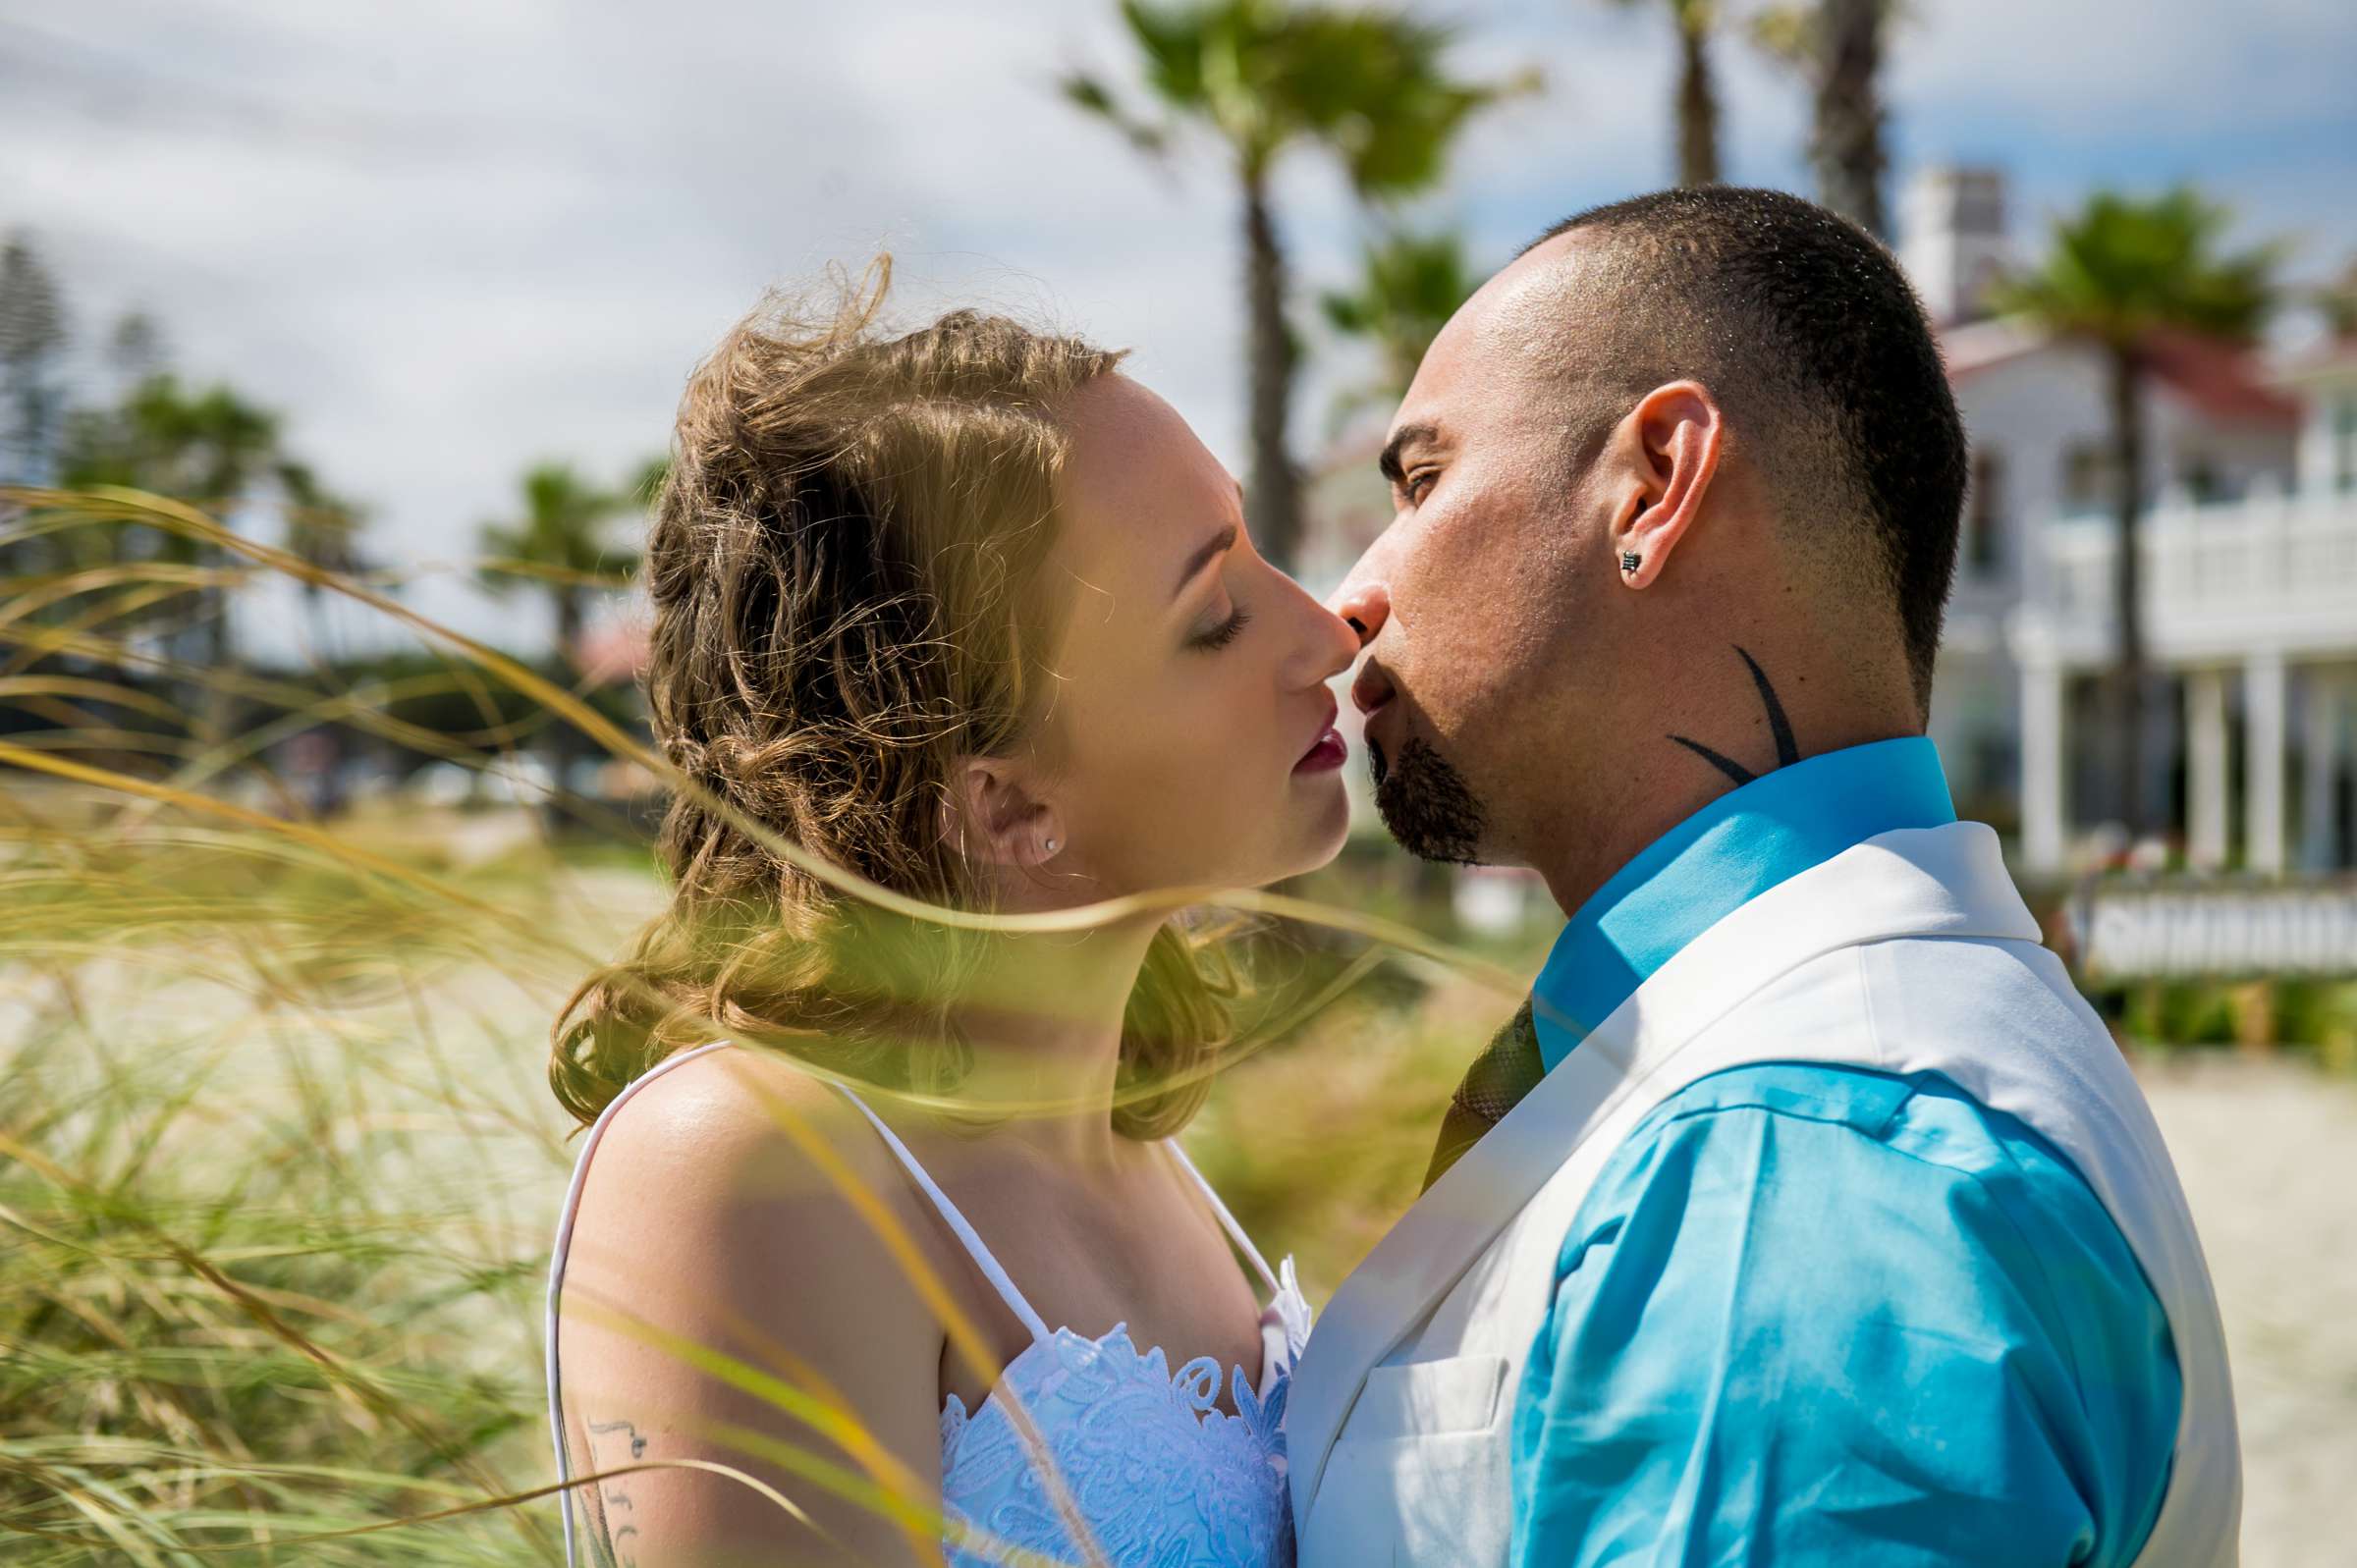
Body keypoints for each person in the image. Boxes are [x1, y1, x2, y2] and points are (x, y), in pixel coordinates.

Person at [1290, 188, 2237, 1567]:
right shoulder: (1874, 1045)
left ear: (1658, 482)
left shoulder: (1790, 1162)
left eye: (1424, 480)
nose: (1352, 595)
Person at [543, 265, 1353, 1568]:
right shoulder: (756, 1166)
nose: (1327, 629)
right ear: (1004, 800)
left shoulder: (1145, 1154)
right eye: (1213, 614)